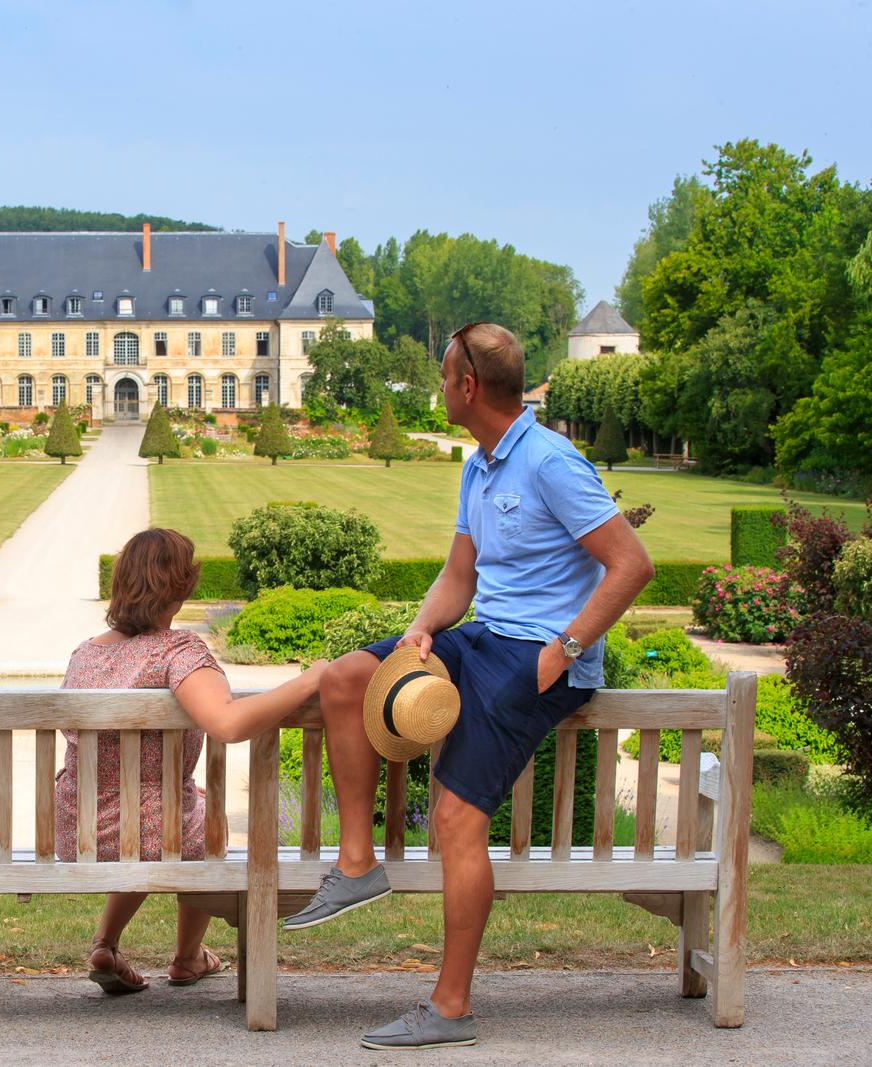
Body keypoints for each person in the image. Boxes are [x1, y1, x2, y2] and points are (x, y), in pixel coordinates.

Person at [283, 322, 655, 1050]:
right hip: (480, 637)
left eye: (444, 374)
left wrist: (563, 651)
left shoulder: (549, 460)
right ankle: (357, 863)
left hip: (532, 660)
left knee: (455, 821)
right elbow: (461, 574)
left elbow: (632, 564)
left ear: (468, 387)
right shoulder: (479, 463)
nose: (438, 386)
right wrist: (421, 632)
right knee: (348, 674)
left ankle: (450, 1007)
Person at [58, 527, 329, 995]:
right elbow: (227, 723)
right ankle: (187, 958)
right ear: (182, 588)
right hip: (149, 827)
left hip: (75, 827)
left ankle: (106, 943)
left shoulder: (86, 654)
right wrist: (308, 682)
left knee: (171, 813)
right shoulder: (177, 652)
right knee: (199, 822)